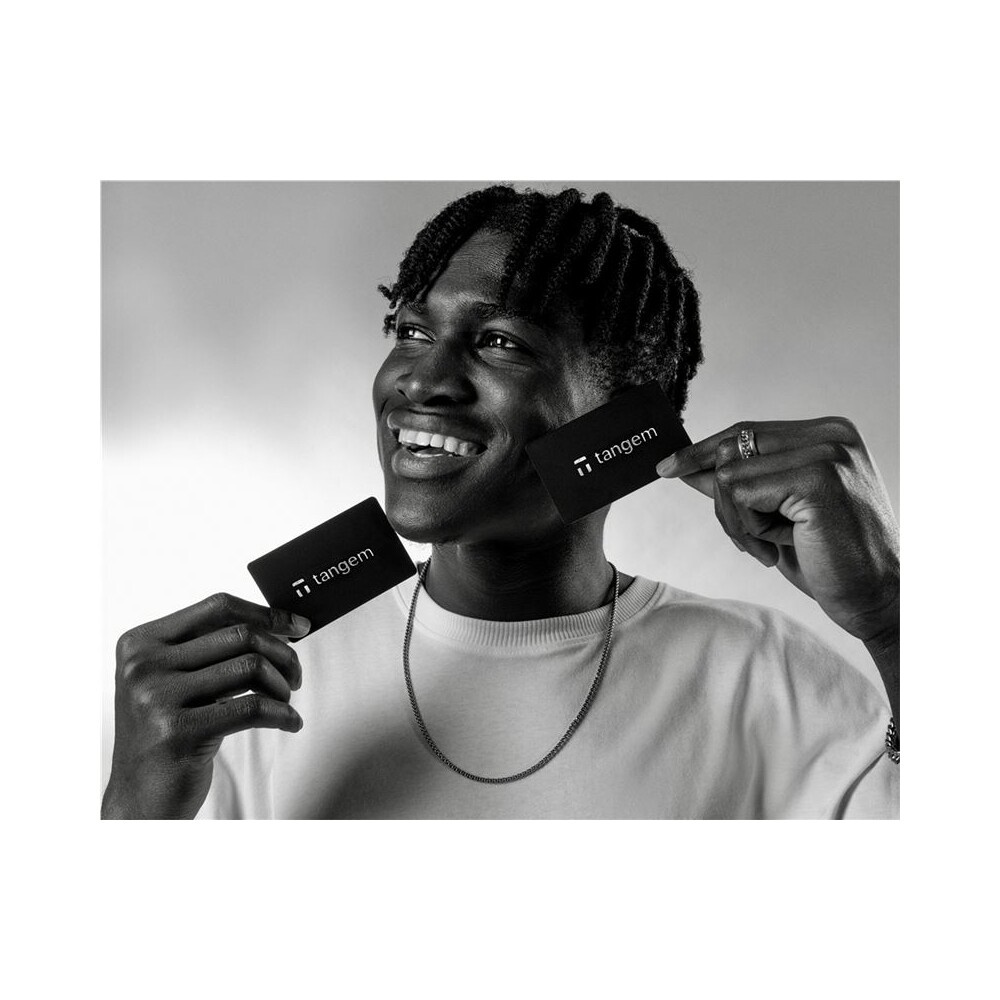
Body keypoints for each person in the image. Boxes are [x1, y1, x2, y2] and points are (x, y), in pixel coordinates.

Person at [101, 185, 899, 819]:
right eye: (411, 331)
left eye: (500, 342)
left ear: (629, 420)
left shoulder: (767, 680)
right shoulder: (255, 688)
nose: (421, 380)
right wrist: (137, 800)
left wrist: (895, 620)